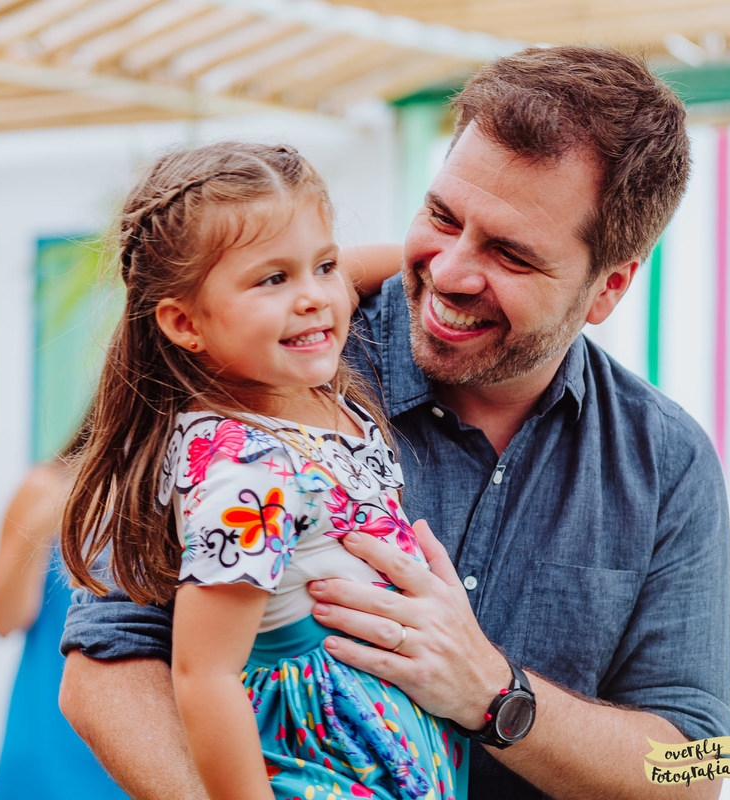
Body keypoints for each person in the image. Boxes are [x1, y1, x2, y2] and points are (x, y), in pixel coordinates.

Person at [59, 45, 730, 800]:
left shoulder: (668, 459)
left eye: (510, 255)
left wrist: (499, 696)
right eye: (442, 217)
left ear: (607, 289)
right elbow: (102, 669)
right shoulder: (274, 370)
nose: (448, 273)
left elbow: (708, 767)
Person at [59, 141, 464, 800]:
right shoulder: (245, 470)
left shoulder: (305, 396)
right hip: (329, 764)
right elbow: (204, 675)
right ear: (185, 322)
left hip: (391, 746)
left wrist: (439, 259)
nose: (314, 298)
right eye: (273, 279)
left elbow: (325, 276)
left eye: (325, 266)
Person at [0, 425, 126, 800]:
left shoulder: (193, 496)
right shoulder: (45, 485)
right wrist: (51, 515)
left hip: (143, 732)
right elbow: (5, 619)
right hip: (48, 733)